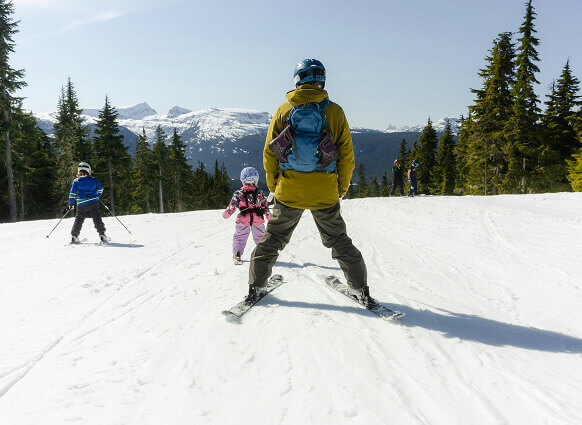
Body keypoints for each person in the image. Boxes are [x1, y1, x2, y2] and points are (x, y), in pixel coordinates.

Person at [246, 58, 369, 303]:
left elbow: (270, 153)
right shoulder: (334, 111)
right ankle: (359, 288)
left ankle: (255, 287)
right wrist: (340, 187)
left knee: (272, 240)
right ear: (322, 80)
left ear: (297, 81)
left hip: (289, 190)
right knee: (339, 241)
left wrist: (274, 186)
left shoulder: (283, 110)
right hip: (324, 191)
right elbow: (347, 156)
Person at [223, 167, 271, 264]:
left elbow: (232, 206)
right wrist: (269, 217)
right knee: (260, 237)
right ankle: (263, 254)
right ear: (256, 180)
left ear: (242, 180)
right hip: (257, 219)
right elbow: (265, 207)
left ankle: (237, 254)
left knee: (240, 236)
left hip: (243, 219)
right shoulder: (260, 194)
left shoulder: (239, 194)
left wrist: (226, 214)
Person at [68, 162, 108, 243]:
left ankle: (74, 236)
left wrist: (71, 204)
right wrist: (97, 195)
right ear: (88, 170)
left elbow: (72, 194)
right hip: (93, 202)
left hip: (81, 204)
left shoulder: (76, 181)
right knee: (97, 218)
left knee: (79, 219)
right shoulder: (94, 179)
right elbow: (101, 189)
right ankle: (102, 234)